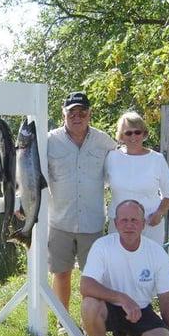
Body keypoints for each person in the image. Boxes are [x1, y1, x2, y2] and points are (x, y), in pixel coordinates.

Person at [80, 200, 169, 336]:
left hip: (141, 310)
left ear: (143, 224)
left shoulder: (157, 253)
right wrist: (121, 297)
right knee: (89, 304)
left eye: (134, 220)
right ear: (116, 224)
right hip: (110, 308)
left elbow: (166, 302)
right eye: (124, 220)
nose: (129, 225)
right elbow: (85, 286)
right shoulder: (102, 246)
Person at [47, 91, 117, 317]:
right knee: (61, 273)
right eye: (72, 113)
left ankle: (91, 320)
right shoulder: (48, 141)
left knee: (93, 277)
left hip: (93, 222)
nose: (77, 117)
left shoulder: (104, 141)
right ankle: (63, 320)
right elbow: (30, 175)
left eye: (82, 112)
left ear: (90, 114)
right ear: (63, 113)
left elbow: (119, 173)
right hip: (59, 221)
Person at [106, 111, 169, 244]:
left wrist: (159, 213)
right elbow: (99, 185)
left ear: (144, 133)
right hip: (118, 226)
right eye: (128, 133)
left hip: (149, 225)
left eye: (137, 132)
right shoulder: (112, 157)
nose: (133, 137)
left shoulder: (157, 159)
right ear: (121, 136)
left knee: (150, 264)